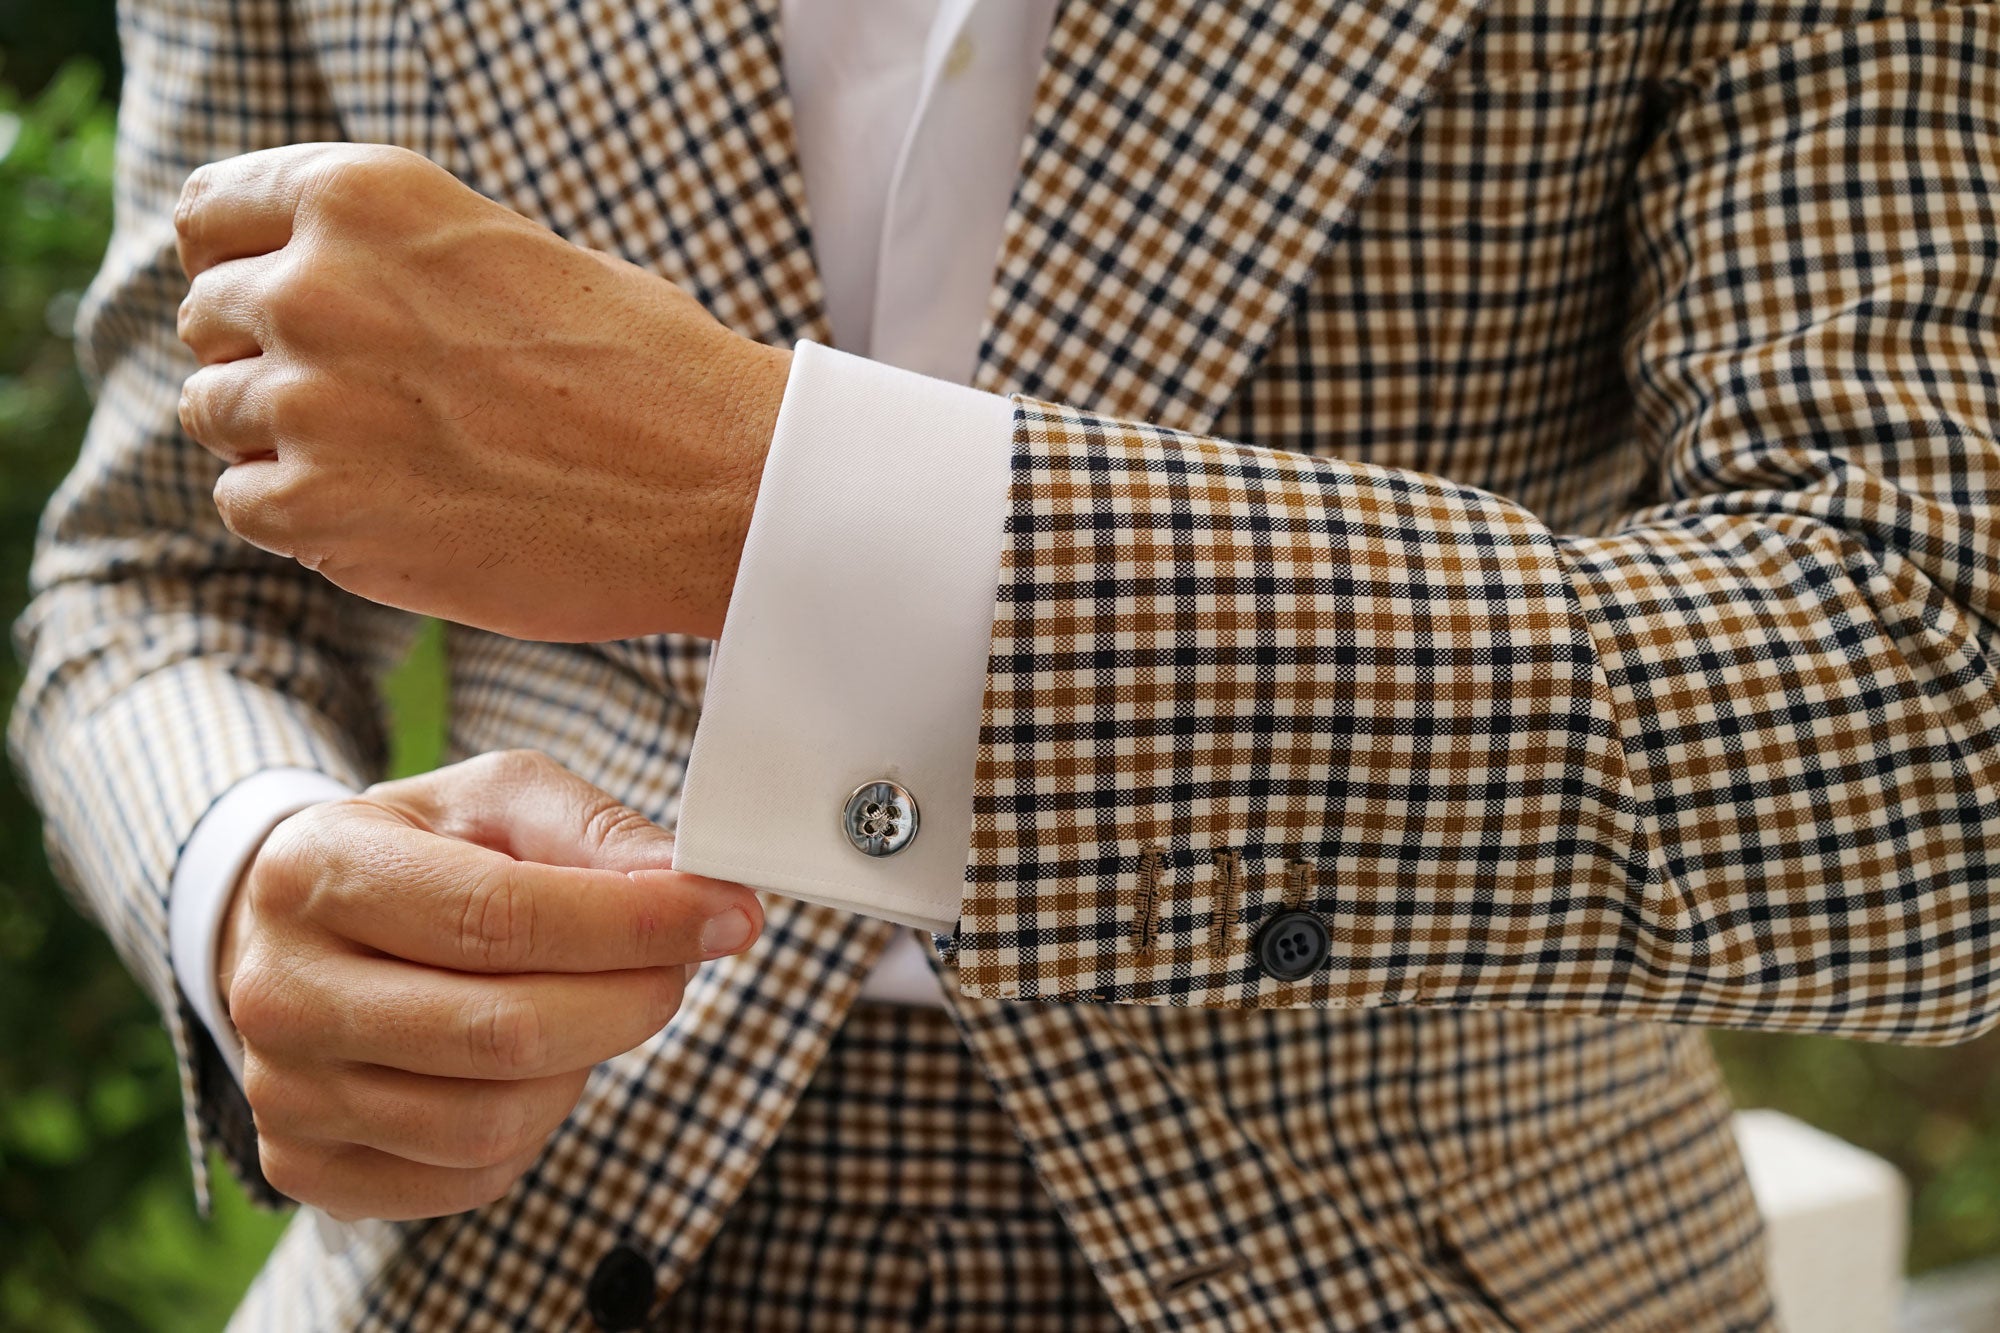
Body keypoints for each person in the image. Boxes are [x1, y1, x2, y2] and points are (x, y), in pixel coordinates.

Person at [14, 0, 1999, 1326]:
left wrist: (776, 499)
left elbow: (1932, 712)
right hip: (504, 1234)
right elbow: (157, 575)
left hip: (1438, 1245)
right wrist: (253, 867)